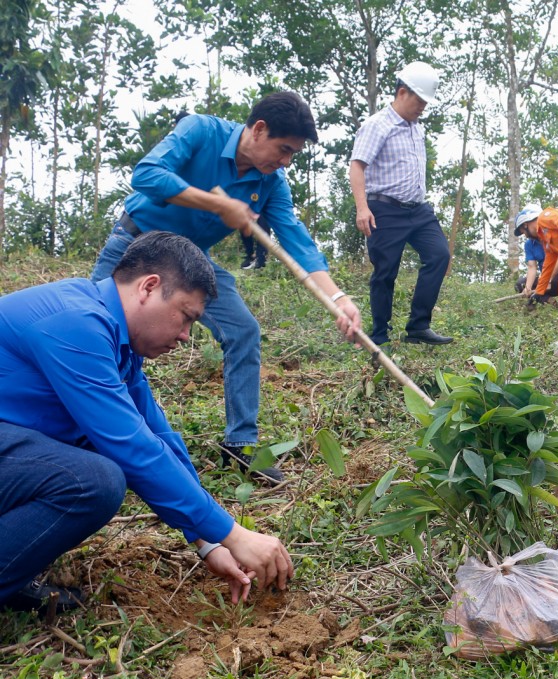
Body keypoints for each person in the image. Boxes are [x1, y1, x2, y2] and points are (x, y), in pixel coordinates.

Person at [0, 232, 294, 614]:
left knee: (88, 456)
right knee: (91, 482)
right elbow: (132, 448)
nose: (186, 336)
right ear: (149, 287)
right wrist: (234, 534)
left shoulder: (115, 338)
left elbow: (158, 437)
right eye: (186, 317)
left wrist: (208, 541)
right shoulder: (75, 323)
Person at [91, 92, 362, 485]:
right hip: (137, 247)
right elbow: (147, 174)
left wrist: (337, 298)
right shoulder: (200, 131)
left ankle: (240, 446)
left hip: (192, 260)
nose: (285, 161)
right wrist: (214, 204)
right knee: (104, 336)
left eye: (293, 155)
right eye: (283, 149)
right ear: (259, 129)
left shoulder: (271, 181)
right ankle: (97, 438)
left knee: (243, 330)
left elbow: (295, 238)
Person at [350, 61, 453, 348]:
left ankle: (418, 326)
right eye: (419, 100)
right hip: (384, 209)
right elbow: (357, 166)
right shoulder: (376, 125)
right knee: (385, 272)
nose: (422, 107)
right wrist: (362, 207)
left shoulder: (415, 128)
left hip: (419, 210)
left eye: (425, 102)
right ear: (402, 92)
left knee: (439, 255)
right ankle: (379, 334)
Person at [513, 205, 558, 303]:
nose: (525, 235)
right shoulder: (529, 244)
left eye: (524, 232)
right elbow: (531, 267)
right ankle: (547, 300)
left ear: (527, 224)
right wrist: (528, 288)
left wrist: (549, 279)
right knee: (520, 284)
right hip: (546, 278)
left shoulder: (554, 234)